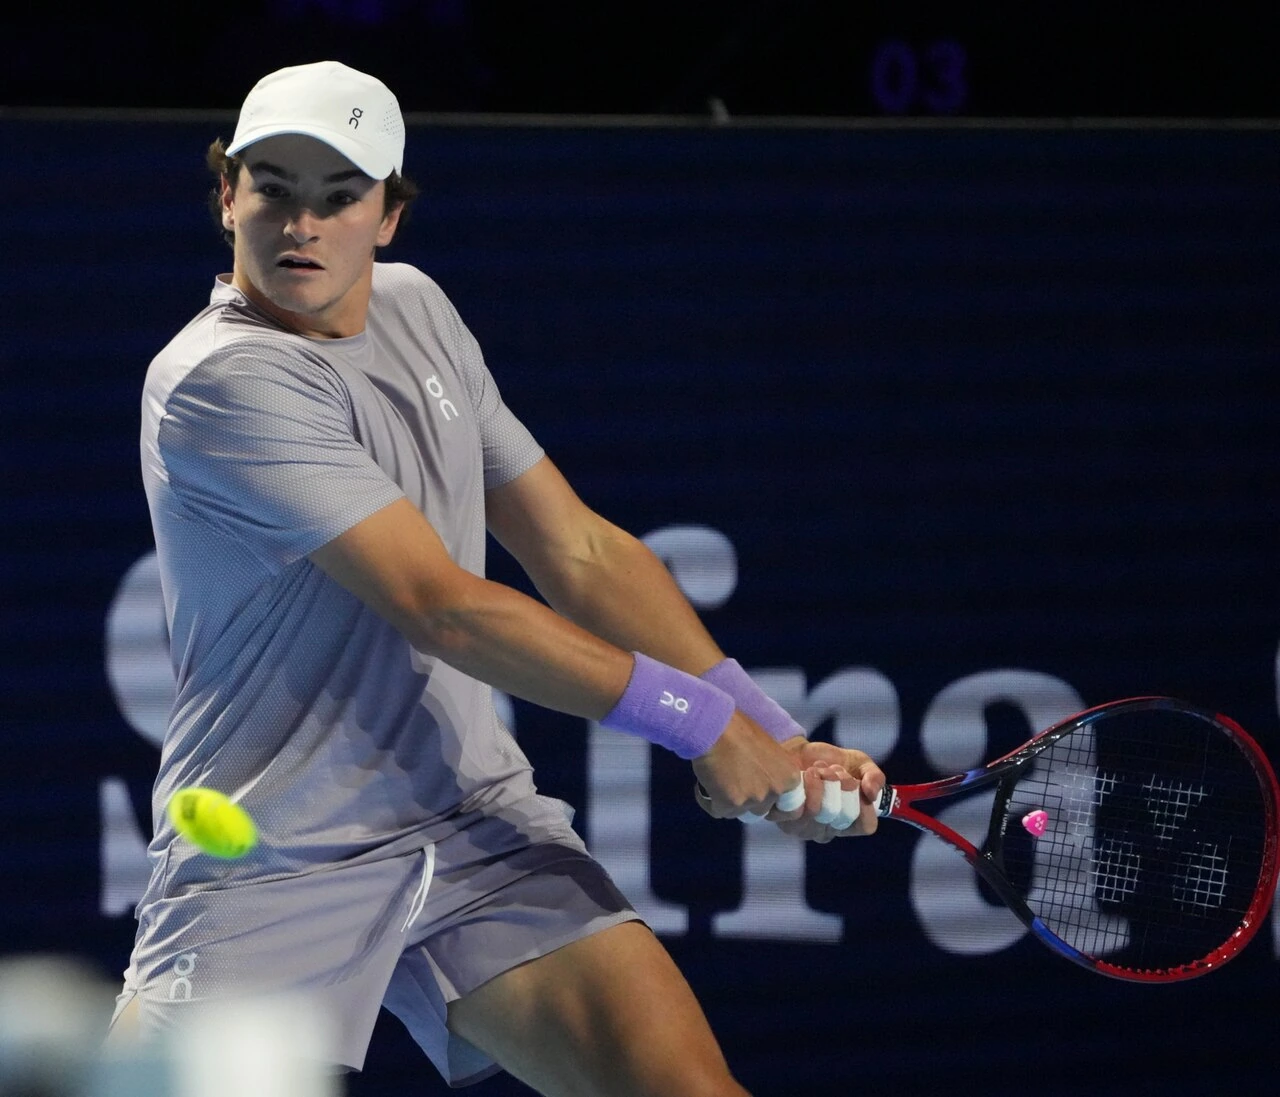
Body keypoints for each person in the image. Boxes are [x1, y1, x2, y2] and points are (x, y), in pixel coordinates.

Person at [107, 60, 885, 1096]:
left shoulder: (419, 310)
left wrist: (765, 726)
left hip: (467, 818)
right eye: (274, 188)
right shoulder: (218, 380)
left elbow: (578, 549)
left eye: (339, 197)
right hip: (273, 851)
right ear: (225, 196)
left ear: (387, 217)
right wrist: (701, 723)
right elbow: (448, 609)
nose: (303, 223)